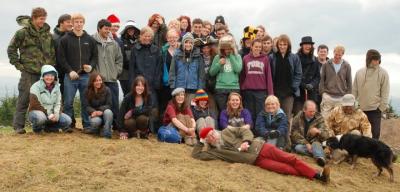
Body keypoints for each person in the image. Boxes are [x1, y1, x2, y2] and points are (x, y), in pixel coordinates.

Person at [192, 127, 330, 183]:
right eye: (208, 138)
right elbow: (197, 155)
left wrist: (246, 141)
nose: (212, 137)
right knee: (285, 169)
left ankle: (318, 175)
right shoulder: (214, 151)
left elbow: (245, 131)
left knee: (290, 158)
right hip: (256, 161)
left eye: (212, 134)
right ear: (206, 140)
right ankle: (314, 175)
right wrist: (200, 141)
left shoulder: (227, 130)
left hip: (261, 147)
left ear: (214, 131)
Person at [7, 7, 56, 134]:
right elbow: (11, 49)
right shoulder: (22, 33)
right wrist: (18, 65)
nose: (42, 21)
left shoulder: (48, 34)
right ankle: (18, 127)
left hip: (44, 74)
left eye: (44, 19)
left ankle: (46, 125)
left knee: (45, 99)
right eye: (40, 19)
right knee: (24, 99)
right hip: (28, 72)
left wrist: (51, 67)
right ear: (33, 18)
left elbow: (52, 52)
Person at [58, 13, 98, 130]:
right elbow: (61, 58)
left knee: (85, 102)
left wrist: (91, 67)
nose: (79, 24)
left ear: (83, 23)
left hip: (86, 76)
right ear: (72, 23)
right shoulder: (65, 39)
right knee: (68, 102)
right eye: (76, 22)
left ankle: (87, 125)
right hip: (70, 76)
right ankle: (68, 125)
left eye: (81, 22)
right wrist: (69, 71)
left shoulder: (90, 39)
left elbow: (95, 57)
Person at [92, 19, 123, 130]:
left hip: (112, 79)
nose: (108, 31)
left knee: (114, 103)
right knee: (99, 104)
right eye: (106, 28)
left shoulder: (114, 43)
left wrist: (116, 72)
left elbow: (119, 59)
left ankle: (116, 125)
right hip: (99, 80)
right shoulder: (92, 41)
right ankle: (100, 125)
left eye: (109, 29)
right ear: (99, 28)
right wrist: (94, 75)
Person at [353, 49, 389, 139]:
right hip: (361, 109)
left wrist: (381, 108)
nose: (377, 62)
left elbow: (385, 92)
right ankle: (362, 153)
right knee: (360, 135)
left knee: (375, 134)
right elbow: (354, 90)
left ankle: (373, 153)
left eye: (378, 59)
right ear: (369, 59)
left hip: (375, 109)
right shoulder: (359, 72)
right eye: (375, 59)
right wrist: (353, 105)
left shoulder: (383, 73)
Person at [28, 65, 71, 133]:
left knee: (67, 120)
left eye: (52, 76)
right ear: (43, 76)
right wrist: (49, 114)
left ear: (55, 77)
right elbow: (35, 104)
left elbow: (58, 103)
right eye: (47, 75)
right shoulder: (35, 87)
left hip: (52, 113)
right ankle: (37, 129)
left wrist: (56, 115)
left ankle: (49, 128)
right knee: (41, 118)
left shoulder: (57, 87)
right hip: (37, 112)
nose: (49, 77)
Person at [240, 38, 274, 124]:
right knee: (249, 113)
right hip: (248, 90)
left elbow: (268, 76)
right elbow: (242, 75)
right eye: (256, 46)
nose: (258, 48)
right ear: (251, 47)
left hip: (261, 91)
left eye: (259, 47)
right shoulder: (245, 58)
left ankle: (259, 131)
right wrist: (242, 88)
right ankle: (250, 131)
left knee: (260, 113)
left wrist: (270, 93)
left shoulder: (265, 59)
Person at [128, 26, 162, 110]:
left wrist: (156, 83)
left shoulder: (156, 50)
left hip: (152, 85)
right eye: (145, 36)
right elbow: (131, 68)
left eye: (149, 36)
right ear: (141, 36)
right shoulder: (135, 49)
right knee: (138, 108)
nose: (147, 38)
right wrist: (132, 83)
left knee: (152, 108)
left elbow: (159, 68)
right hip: (138, 84)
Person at [269, 34, 302, 120]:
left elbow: (298, 74)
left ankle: (285, 134)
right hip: (275, 92)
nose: (282, 47)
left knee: (286, 117)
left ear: (288, 45)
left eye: (285, 44)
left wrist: (293, 87)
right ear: (277, 45)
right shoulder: (272, 57)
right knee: (274, 116)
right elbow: (269, 75)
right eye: (280, 44)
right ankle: (275, 133)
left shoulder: (294, 57)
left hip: (289, 93)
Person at [291, 100, 332, 167]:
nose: (313, 113)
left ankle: (320, 158)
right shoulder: (297, 118)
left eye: (314, 111)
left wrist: (319, 131)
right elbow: (294, 133)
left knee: (315, 145)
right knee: (298, 148)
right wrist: (306, 143)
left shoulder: (320, 118)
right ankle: (320, 154)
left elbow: (326, 135)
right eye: (310, 111)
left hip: (316, 143)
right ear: (304, 110)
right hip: (303, 145)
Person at [209, 35, 242, 112]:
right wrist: (219, 64)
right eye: (225, 48)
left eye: (229, 48)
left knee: (234, 111)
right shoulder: (218, 57)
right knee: (223, 111)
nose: (227, 50)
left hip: (234, 88)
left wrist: (231, 56)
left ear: (233, 48)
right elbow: (211, 73)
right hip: (221, 88)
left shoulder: (238, 57)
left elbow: (238, 69)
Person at [169, 32, 205, 102]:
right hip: (179, 88)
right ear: (183, 43)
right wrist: (172, 87)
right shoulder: (176, 55)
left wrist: (200, 89)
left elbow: (201, 75)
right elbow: (172, 72)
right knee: (180, 109)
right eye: (186, 42)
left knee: (190, 109)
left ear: (193, 44)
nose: (188, 44)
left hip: (193, 89)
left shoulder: (198, 56)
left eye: (190, 43)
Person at [319, 45, 352, 118]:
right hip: (328, 96)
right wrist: (322, 93)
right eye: (336, 54)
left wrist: (347, 96)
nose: (337, 56)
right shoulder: (326, 64)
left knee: (338, 121)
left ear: (343, 54)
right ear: (333, 53)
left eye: (339, 55)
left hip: (341, 97)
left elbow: (349, 82)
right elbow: (321, 80)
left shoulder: (347, 66)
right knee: (325, 119)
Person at [293, 36, 320, 115]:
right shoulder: (295, 58)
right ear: (302, 46)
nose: (307, 46)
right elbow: (293, 75)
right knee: (298, 115)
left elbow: (317, 77)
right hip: (298, 93)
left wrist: (312, 85)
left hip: (311, 93)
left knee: (312, 115)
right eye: (305, 44)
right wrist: (303, 85)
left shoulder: (315, 59)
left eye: (309, 44)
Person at [84, 73, 113, 138]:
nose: (98, 82)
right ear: (92, 82)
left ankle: (107, 134)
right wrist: (94, 112)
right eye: (96, 80)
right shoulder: (87, 91)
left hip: (104, 113)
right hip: (94, 114)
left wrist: (101, 111)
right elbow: (87, 106)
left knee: (108, 112)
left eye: (100, 80)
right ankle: (97, 129)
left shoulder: (107, 89)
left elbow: (109, 105)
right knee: (95, 122)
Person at [160, 29, 180, 113]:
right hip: (166, 83)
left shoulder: (181, 51)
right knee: (166, 105)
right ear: (167, 39)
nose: (172, 39)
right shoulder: (163, 52)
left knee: (178, 105)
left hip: (179, 83)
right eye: (170, 37)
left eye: (174, 37)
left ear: (178, 38)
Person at [53, 14, 72, 98]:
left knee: (67, 98)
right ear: (61, 23)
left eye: (71, 22)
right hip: (55, 73)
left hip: (68, 72)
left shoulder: (72, 37)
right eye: (68, 22)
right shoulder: (52, 38)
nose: (71, 24)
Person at [119, 20, 140, 96]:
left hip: (136, 73)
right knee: (127, 95)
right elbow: (121, 59)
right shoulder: (120, 41)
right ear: (126, 30)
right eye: (129, 28)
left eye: (132, 28)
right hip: (125, 74)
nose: (131, 30)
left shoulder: (139, 41)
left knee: (137, 94)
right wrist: (132, 66)